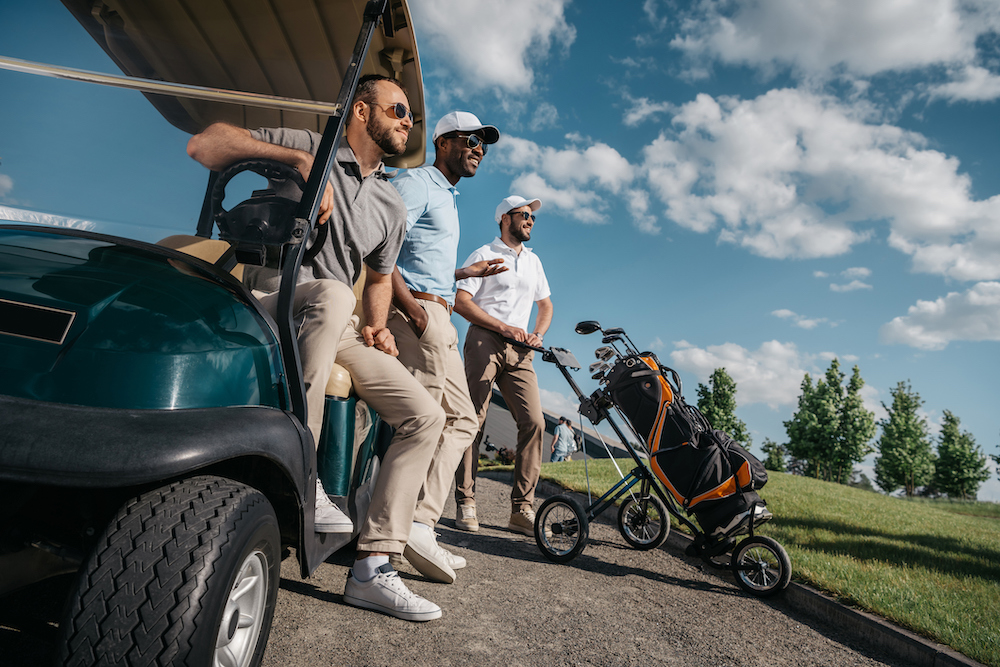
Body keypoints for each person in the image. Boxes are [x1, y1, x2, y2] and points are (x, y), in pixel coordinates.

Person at [187, 74, 446, 622]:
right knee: (328, 293)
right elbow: (204, 145)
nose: (407, 121)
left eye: (411, 117)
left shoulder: (391, 204)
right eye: (399, 110)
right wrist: (297, 163)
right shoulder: (308, 146)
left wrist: (378, 327)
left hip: (338, 321)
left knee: (425, 414)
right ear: (360, 110)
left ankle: (374, 566)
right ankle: (303, 474)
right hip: (266, 291)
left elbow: (377, 279)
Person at [388, 111, 504, 582]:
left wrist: (462, 275)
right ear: (443, 141)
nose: (479, 148)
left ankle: (420, 523)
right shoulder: (416, 183)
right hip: (420, 314)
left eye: (484, 143)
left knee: (462, 419)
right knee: (433, 421)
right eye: (471, 139)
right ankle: (398, 533)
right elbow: (379, 249)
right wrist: (414, 313)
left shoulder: (447, 196)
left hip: (438, 311)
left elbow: (422, 257)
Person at [453, 195, 553, 536]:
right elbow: (461, 302)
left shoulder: (534, 262)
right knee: (474, 418)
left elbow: (546, 305)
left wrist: (537, 334)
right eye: (524, 214)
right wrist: (502, 327)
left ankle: (521, 509)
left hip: (522, 350)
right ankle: (465, 501)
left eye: (533, 217)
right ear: (504, 218)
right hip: (486, 340)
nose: (530, 220)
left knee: (534, 422)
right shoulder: (483, 254)